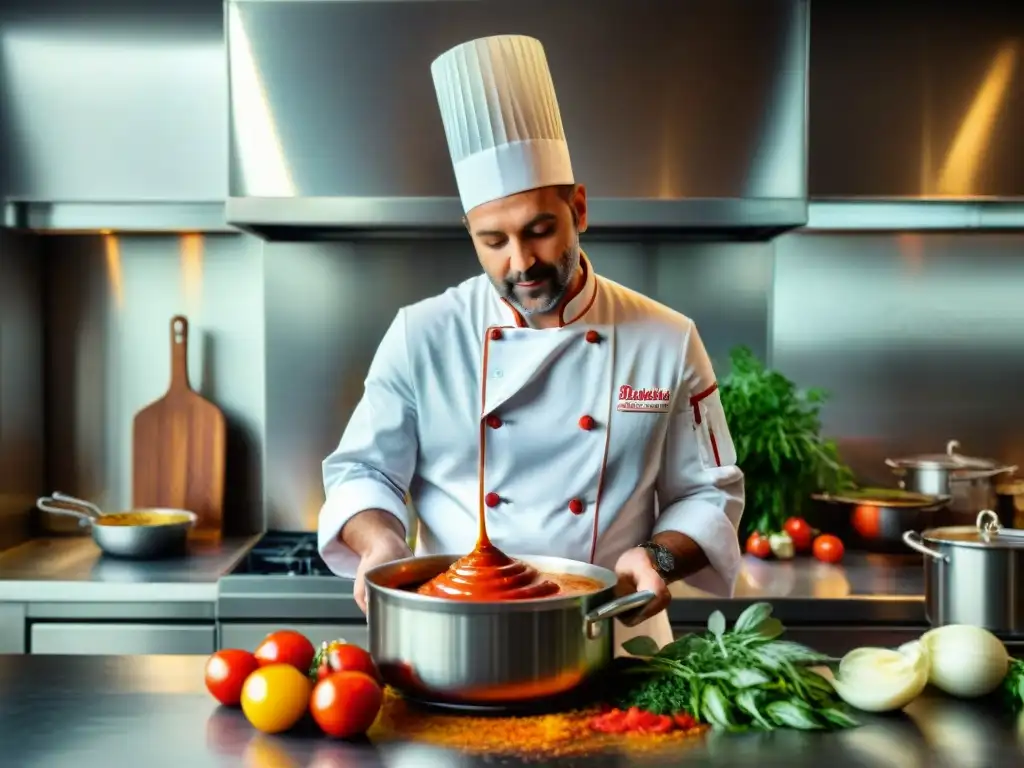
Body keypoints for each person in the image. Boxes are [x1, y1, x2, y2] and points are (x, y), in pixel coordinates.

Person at [317, 34, 745, 654]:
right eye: (493, 241)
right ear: (470, 233)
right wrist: (381, 542)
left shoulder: (667, 339)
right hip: (456, 640)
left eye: (540, 230)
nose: (522, 262)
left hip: (615, 638)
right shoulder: (423, 333)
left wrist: (656, 556)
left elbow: (709, 489)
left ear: (579, 208)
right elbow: (362, 470)